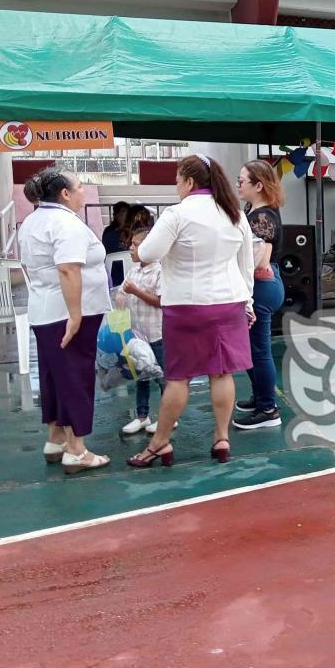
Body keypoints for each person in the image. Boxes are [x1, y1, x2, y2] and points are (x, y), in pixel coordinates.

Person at [129, 154, 255, 467]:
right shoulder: (235, 214)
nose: (176, 187)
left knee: (179, 377)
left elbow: (148, 252)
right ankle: (222, 437)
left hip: (187, 305)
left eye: (176, 181)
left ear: (188, 181)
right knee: (222, 371)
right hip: (229, 302)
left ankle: (160, 443)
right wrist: (248, 302)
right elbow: (246, 265)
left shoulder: (177, 214)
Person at [17, 168, 112, 472]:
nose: (85, 191)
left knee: (54, 375)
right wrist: (75, 315)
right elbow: (68, 269)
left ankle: (56, 438)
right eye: (81, 186)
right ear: (65, 194)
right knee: (75, 375)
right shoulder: (65, 223)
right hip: (68, 310)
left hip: (45, 309)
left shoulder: (33, 220)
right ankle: (77, 449)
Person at [232, 159, 286, 430]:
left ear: (258, 185)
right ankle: (261, 398)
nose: (238, 185)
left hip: (262, 287)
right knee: (253, 349)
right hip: (264, 285)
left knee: (258, 351)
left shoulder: (262, 217)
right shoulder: (256, 211)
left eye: (242, 181)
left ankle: (267, 408)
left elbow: (260, 261)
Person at [117, 227, 168, 436]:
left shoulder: (159, 271)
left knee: (164, 377)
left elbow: (161, 302)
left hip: (156, 334)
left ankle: (167, 417)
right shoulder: (133, 270)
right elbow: (121, 292)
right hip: (138, 335)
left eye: (136, 244)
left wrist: (135, 292)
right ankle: (142, 416)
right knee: (141, 376)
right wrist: (120, 298)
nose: (131, 248)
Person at [101, 201, 130, 286]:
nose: (126, 216)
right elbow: (111, 252)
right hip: (116, 270)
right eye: (123, 213)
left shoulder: (133, 231)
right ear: (115, 215)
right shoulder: (109, 232)